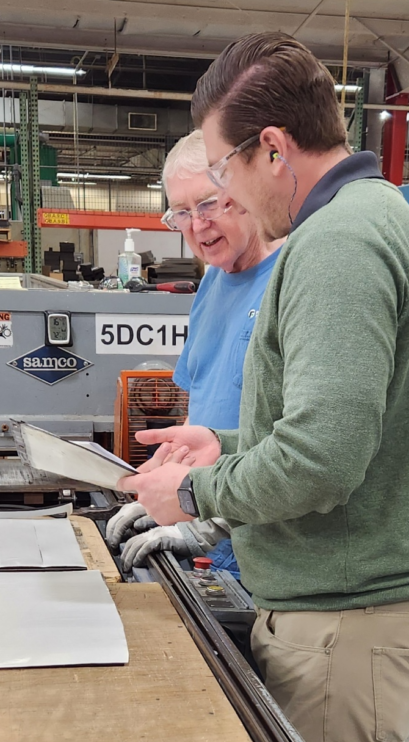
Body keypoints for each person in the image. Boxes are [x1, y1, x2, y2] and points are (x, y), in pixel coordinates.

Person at [118, 33, 409, 742]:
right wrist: (224, 444)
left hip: (350, 617)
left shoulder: (336, 244)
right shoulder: (372, 218)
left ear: (271, 148)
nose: (220, 196)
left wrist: (193, 492)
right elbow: (338, 429)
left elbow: (322, 461)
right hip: (343, 608)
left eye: (221, 171)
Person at [105, 129, 282, 571]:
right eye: (180, 213)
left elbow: (305, 450)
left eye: (207, 204)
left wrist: (204, 521)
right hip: (206, 530)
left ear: (244, 192)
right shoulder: (212, 282)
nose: (197, 225)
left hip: (267, 546)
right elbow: (199, 413)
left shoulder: (291, 280)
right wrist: (166, 483)